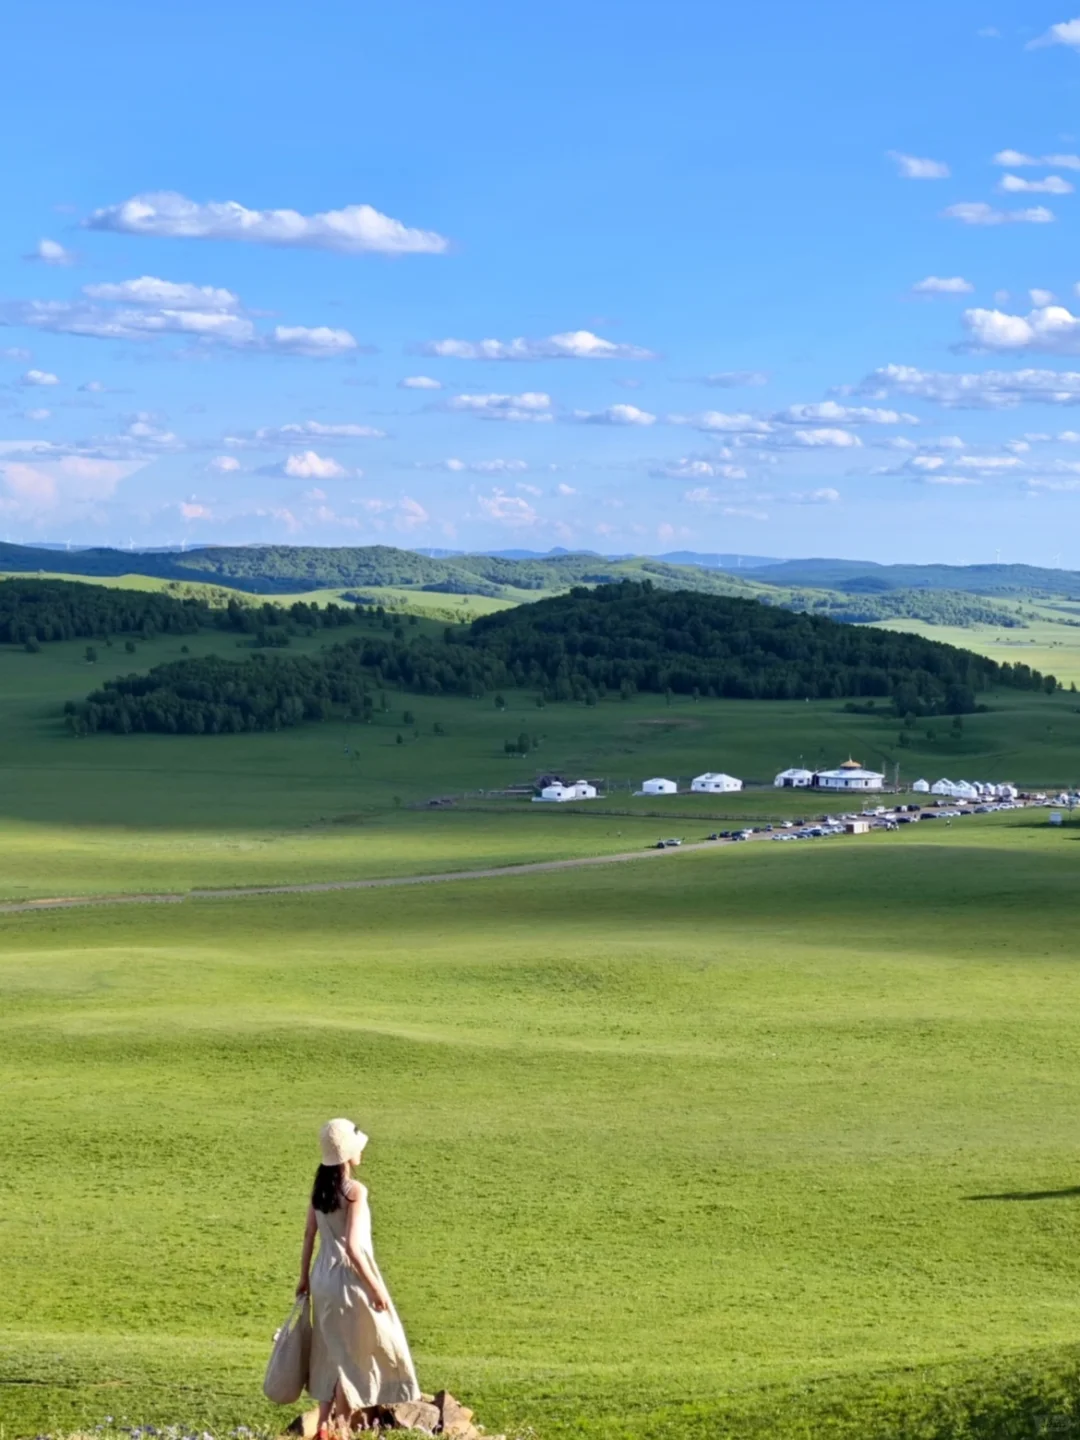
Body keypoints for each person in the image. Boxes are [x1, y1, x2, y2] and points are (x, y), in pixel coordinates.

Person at [296, 1119, 420, 1437]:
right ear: (348, 1154)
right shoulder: (354, 1192)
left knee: (330, 1351)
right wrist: (376, 1287)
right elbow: (353, 1246)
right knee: (353, 1355)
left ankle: (324, 1426)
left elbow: (310, 1235)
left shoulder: (319, 1192)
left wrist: (303, 1279)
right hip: (346, 1280)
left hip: (321, 1276)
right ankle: (339, 1428)